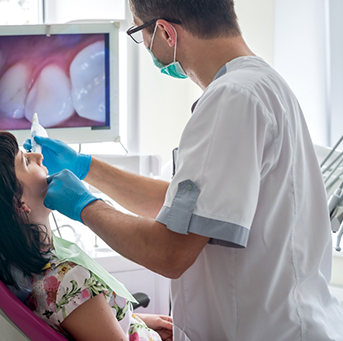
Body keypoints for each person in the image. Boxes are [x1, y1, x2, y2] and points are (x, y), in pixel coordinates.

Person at [26, 0, 343, 340]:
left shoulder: (232, 100)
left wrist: (84, 206)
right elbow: (189, 210)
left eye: (139, 32)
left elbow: (170, 252)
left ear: (165, 31)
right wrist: (86, 168)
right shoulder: (260, 85)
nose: (145, 45)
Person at [0, 131, 173, 341]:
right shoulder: (69, 281)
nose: (39, 155)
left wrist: (135, 323)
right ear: (18, 202)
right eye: (26, 161)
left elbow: (79, 321)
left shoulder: (23, 277)